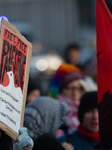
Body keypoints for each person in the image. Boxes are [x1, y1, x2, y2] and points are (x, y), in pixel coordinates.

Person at [48, 63, 89, 136]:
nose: (75, 93)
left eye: (78, 88)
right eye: (71, 88)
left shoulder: (86, 109)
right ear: (61, 89)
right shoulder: (52, 110)